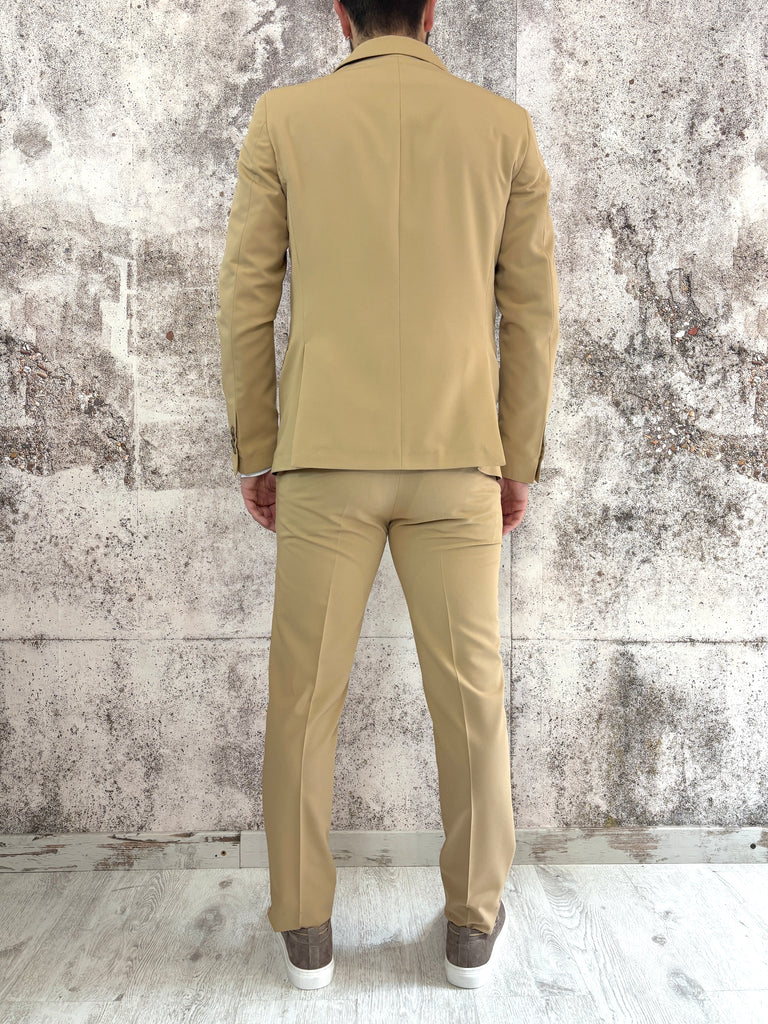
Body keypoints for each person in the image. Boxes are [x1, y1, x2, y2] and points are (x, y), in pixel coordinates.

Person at [216, 0, 559, 992]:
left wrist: (259, 449)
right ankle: (472, 929)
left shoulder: (285, 119)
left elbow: (245, 296)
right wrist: (515, 460)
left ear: (341, 15)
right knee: (474, 701)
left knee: (303, 700)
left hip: (324, 459)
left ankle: (305, 932)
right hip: (458, 459)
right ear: (432, 12)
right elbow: (532, 312)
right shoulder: (503, 128)